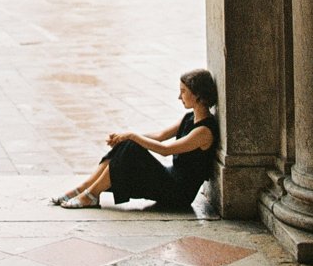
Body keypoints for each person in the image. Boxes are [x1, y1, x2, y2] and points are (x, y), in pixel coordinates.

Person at [54, 68, 218, 210]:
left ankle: (91, 196)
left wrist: (132, 136)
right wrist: (123, 137)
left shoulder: (204, 131)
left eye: (183, 91)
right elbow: (159, 136)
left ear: (198, 96)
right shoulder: (189, 117)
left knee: (131, 145)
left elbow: (166, 150)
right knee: (128, 144)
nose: (179, 96)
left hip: (178, 193)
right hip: (170, 179)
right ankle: (84, 189)